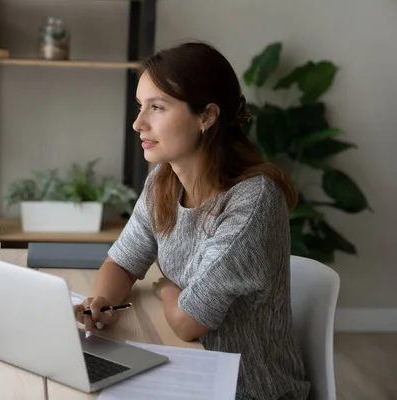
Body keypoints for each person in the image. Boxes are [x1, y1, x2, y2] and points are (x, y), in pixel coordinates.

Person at [72, 41, 311, 400]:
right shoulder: (162, 181)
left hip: (246, 389)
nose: (139, 123)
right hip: (189, 372)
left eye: (157, 107)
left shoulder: (254, 201)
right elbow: (121, 262)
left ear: (207, 116)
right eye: (141, 106)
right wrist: (101, 302)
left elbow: (188, 322)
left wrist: (167, 288)